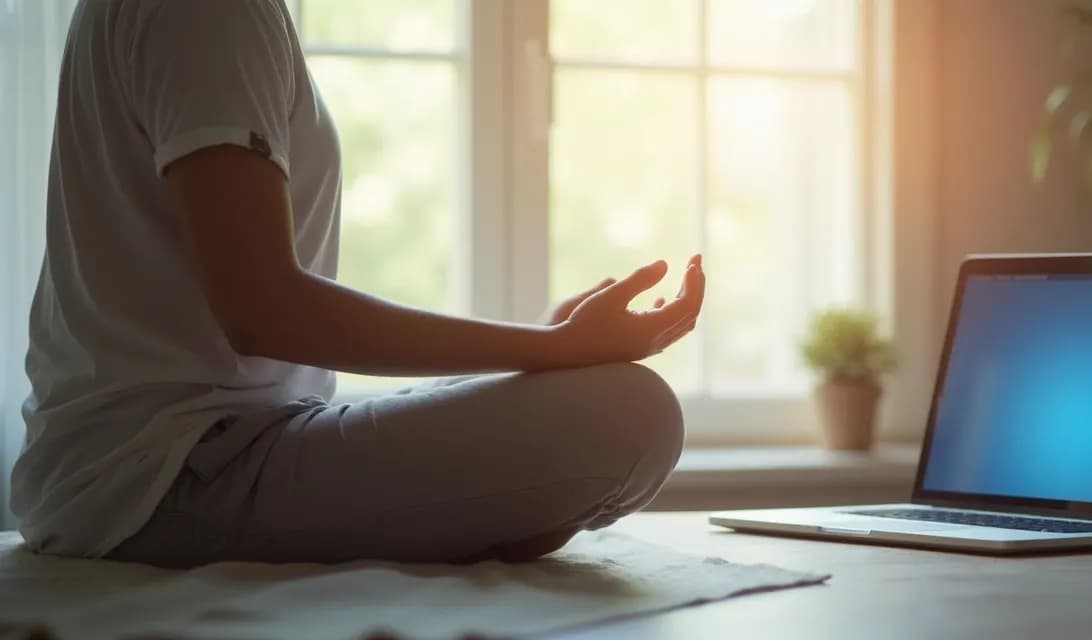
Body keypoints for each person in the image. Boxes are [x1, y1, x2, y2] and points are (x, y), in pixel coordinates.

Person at [11, 0, 705, 568]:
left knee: (596, 409)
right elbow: (264, 310)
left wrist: (546, 353)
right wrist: (553, 348)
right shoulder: (212, 12)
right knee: (632, 416)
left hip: (185, 456)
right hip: (167, 477)